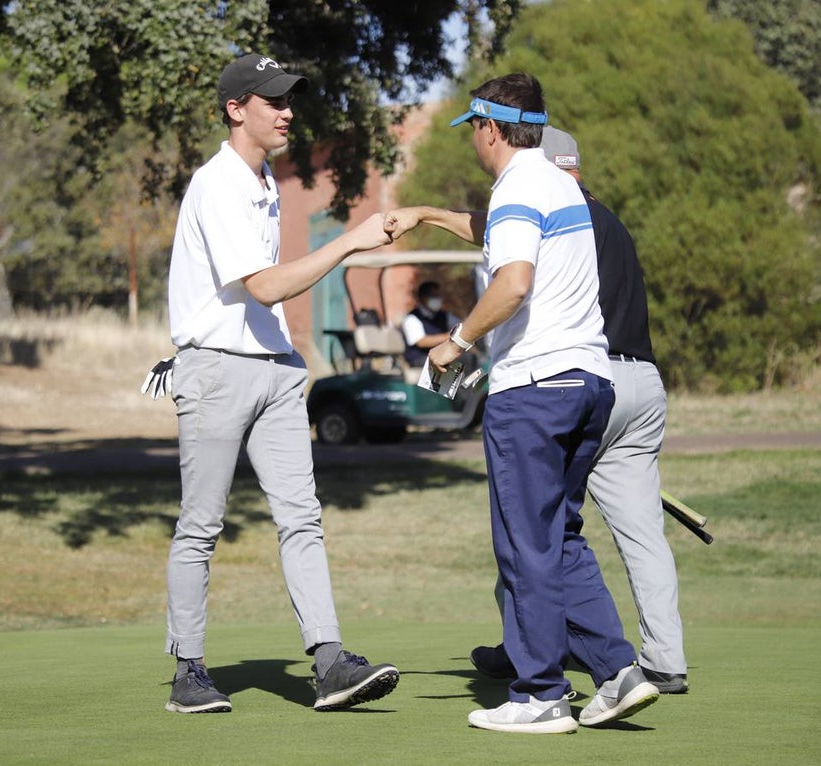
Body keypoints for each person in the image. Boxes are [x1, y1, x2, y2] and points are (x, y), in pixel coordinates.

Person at [384, 73, 658, 734]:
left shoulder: (514, 188)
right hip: (589, 386)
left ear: (488, 127)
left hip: (532, 393)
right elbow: (495, 236)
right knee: (559, 538)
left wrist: (456, 342)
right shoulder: (560, 185)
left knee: (525, 547)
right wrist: (423, 214)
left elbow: (512, 282)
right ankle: (618, 673)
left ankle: (540, 694)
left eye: (474, 132)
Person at [156, 53, 399, 714]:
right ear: (237, 109)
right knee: (202, 524)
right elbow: (263, 287)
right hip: (215, 368)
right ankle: (188, 672)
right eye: (273, 100)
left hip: (276, 372)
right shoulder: (218, 184)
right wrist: (350, 242)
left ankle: (329, 664)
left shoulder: (263, 183)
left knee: (303, 518)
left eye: (290, 100)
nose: (288, 111)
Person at [470, 127, 688, 694]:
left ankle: (528, 650)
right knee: (642, 536)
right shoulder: (611, 220)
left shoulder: (549, 211)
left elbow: (503, 255)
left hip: (577, 379)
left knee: (531, 524)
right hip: (644, 384)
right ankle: (664, 659)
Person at [400, 281, 460, 368]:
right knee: (460, 360)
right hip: (419, 359)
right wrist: (450, 336)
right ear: (423, 298)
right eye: (434, 296)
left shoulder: (443, 315)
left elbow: (460, 325)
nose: (438, 299)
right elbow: (422, 342)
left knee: (468, 357)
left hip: (441, 354)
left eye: (439, 296)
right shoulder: (412, 318)